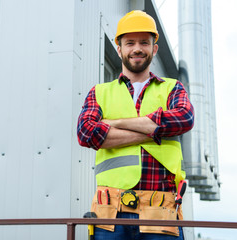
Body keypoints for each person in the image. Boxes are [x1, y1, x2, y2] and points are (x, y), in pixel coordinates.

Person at [77, 10, 194, 240]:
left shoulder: (173, 88)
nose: (137, 48)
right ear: (119, 48)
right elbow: (86, 133)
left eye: (144, 42)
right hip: (111, 214)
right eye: (130, 42)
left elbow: (184, 118)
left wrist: (115, 123)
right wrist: (155, 130)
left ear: (154, 48)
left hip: (161, 212)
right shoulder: (99, 92)